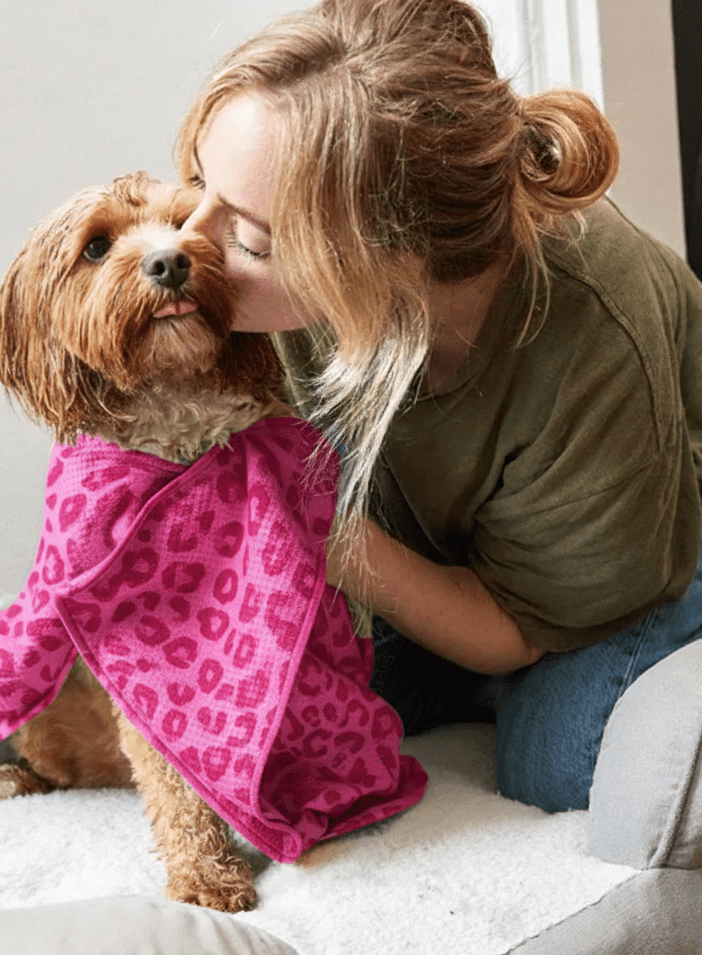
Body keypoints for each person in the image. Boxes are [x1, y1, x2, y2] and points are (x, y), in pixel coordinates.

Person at [177, 0, 702, 813]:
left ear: (389, 256)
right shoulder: (257, 272)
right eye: (195, 184)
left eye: (249, 240)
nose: (188, 238)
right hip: (442, 538)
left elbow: (512, 630)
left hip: (635, 540)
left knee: (559, 766)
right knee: (279, 714)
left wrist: (321, 526)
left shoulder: (589, 327)